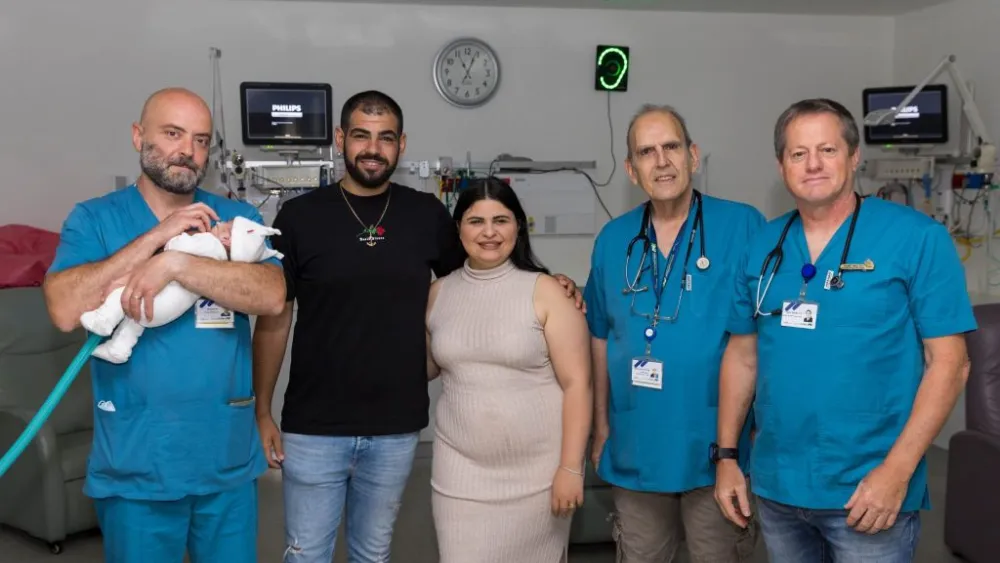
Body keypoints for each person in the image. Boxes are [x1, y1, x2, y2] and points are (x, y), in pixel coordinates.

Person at [251, 90, 583, 563]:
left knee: (373, 554)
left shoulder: (426, 215)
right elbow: (274, 317)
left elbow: (478, 278)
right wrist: (263, 410)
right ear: (341, 139)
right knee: (305, 554)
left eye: (385, 138)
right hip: (313, 427)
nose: (373, 148)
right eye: (361, 135)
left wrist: (553, 284)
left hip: (395, 427)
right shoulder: (299, 217)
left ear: (401, 145)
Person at [715, 98, 975, 562]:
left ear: (855, 157)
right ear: (781, 166)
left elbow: (950, 364)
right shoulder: (761, 246)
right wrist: (728, 457)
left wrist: (896, 472)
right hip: (779, 487)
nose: (813, 164)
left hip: (869, 491)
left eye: (827, 150)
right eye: (798, 154)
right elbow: (742, 355)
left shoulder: (917, 239)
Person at [42, 87, 285, 563]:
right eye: (172, 134)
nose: (187, 151)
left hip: (225, 460)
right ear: (138, 136)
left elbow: (271, 296)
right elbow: (64, 307)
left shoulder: (235, 218)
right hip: (138, 462)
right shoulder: (95, 219)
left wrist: (176, 266)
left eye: (199, 140)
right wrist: (157, 238)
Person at [582, 103, 763, 562]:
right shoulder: (613, 239)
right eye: (646, 151)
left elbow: (765, 337)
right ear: (630, 168)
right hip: (637, 445)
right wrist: (601, 424)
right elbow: (599, 336)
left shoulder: (743, 226)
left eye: (671, 147)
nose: (661, 161)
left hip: (716, 446)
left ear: (693, 155)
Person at [425, 177, 593, 563]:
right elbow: (429, 367)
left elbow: (578, 385)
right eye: (475, 221)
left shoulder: (548, 291)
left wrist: (571, 468)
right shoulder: (439, 293)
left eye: (500, 220)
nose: (488, 232)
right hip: (459, 476)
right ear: (458, 229)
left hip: (538, 478)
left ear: (519, 226)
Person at [81, 216, 282, 364]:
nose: (219, 223)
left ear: (227, 240)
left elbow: (179, 245)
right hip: (166, 310)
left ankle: (104, 321)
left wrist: (177, 238)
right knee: (135, 320)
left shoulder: (209, 243)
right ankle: (119, 348)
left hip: (158, 302)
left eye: (225, 226)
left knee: (122, 296)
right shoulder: (220, 262)